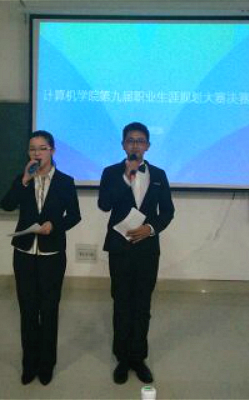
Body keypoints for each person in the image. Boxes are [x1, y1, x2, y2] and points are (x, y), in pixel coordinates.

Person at [0, 130, 81, 385]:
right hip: (24, 253)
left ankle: (47, 364)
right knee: (27, 309)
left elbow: (75, 216)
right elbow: (6, 205)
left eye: (42, 148)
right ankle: (29, 364)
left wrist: (54, 226)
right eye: (32, 149)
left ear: (52, 151)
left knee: (49, 310)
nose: (37, 153)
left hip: (52, 254)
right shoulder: (23, 179)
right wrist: (24, 180)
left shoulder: (65, 181)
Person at [98, 122, 175, 384]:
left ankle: (138, 358)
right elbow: (104, 204)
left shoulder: (159, 175)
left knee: (142, 304)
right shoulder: (111, 172)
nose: (135, 145)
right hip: (119, 248)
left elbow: (168, 211)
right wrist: (125, 178)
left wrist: (150, 229)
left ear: (148, 146)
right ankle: (122, 358)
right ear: (123, 145)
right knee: (121, 303)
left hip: (147, 249)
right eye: (130, 140)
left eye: (140, 141)